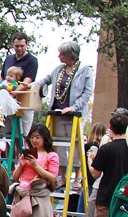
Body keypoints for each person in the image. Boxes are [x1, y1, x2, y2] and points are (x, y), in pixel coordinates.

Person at [33, 41, 94, 184]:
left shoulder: (85, 69)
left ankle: (78, 177)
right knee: (59, 145)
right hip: (58, 113)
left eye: (62, 54)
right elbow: (46, 80)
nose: (59, 56)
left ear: (71, 55)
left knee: (77, 146)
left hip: (75, 115)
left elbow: (87, 92)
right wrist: (29, 86)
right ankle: (63, 177)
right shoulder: (59, 69)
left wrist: (74, 107)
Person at [70, 122, 107, 217]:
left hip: (92, 183)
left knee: (85, 216)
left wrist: (91, 159)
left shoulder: (97, 148)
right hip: (95, 184)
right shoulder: (104, 147)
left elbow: (92, 170)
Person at [0, 32, 38, 136]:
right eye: (17, 46)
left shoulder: (32, 60)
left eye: (22, 46)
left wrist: (12, 94)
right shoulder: (9, 59)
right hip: (6, 101)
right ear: (13, 45)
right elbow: (2, 77)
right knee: (6, 133)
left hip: (22, 101)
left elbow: (26, 81)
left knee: (20, 134)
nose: (19, 49)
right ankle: (8, 153)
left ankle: (20, 152)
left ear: (27, 44)